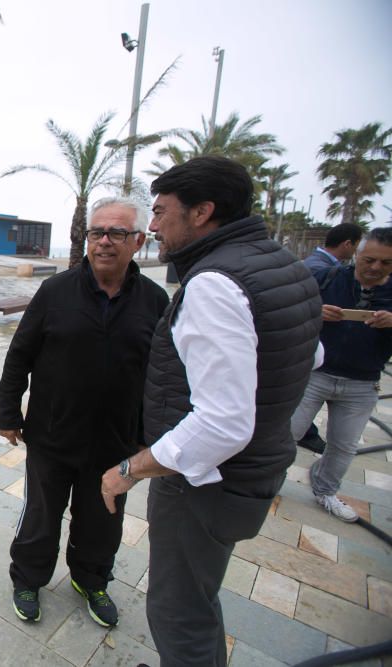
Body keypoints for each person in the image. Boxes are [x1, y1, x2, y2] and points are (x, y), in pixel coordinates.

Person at [99, 157, 322, 666]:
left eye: (159, 212)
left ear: (201, 212)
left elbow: (222, 423)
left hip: (205, 486)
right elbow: (307, 357)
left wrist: (129, 470)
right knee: (198, 597)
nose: (151, 226)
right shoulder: (285, 266)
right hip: (256, 473)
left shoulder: (215, 283)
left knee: (179, 612)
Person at [0, 197, 169, 628]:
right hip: (52, 436)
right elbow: (20, 354)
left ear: (139, 241)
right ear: (87, 239)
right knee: (40, 517)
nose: (105, 242)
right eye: (97, 233)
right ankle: (28, 579)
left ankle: (91, 580)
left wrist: (150, 435)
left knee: (103, 522)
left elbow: (162, 375)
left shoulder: (154, 300)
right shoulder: (56, 292)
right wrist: (7, 413)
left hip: (116, 443)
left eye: (117, 233)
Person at [290, 228, 392, 521]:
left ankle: (326, 490)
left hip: (362, 382)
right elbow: (291, 310)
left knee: (344, 445)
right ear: (357, 254)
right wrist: (315, 311)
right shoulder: (328, 279)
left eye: (385, 263)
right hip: (315, 373)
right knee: (288, 432)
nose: (375, 268)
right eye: (369, 259)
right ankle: (265, 481)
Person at [298, 223, 364, 452]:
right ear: (349, 244)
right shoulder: (319, 268)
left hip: (330, 362)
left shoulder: (324, 266)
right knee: (292, 424)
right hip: (315, 359)